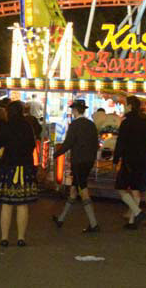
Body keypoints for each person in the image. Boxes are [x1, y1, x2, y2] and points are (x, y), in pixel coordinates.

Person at [0, 100, 38, 246]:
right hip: (24, 168)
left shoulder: (5, 127)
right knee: (22, 204)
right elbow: (31, 145)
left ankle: (4, 238)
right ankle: (21, 238)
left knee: (7, 204)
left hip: (7, 167)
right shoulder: (27, 127)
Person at [52, 99, 99, 233]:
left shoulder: (74, 125)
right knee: (73, 190)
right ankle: (61, 219)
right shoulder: (91, 124)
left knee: (83, 190)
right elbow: (95, 144)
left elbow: (68, 144)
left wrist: (56, 154)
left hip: (78, 161)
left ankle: (94, 223)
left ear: (76, 110)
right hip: (88, 161)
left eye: (72, 109)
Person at [114, 95, 146, 230]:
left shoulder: (126, 122)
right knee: (136, 191)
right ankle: (132, 221)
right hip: (142, 159)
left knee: (121, 188)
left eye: (125, 104)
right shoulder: (144, 122)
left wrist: (115, 159)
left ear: (130, 106)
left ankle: (137, 212)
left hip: (129, 160)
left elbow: (121, 143)